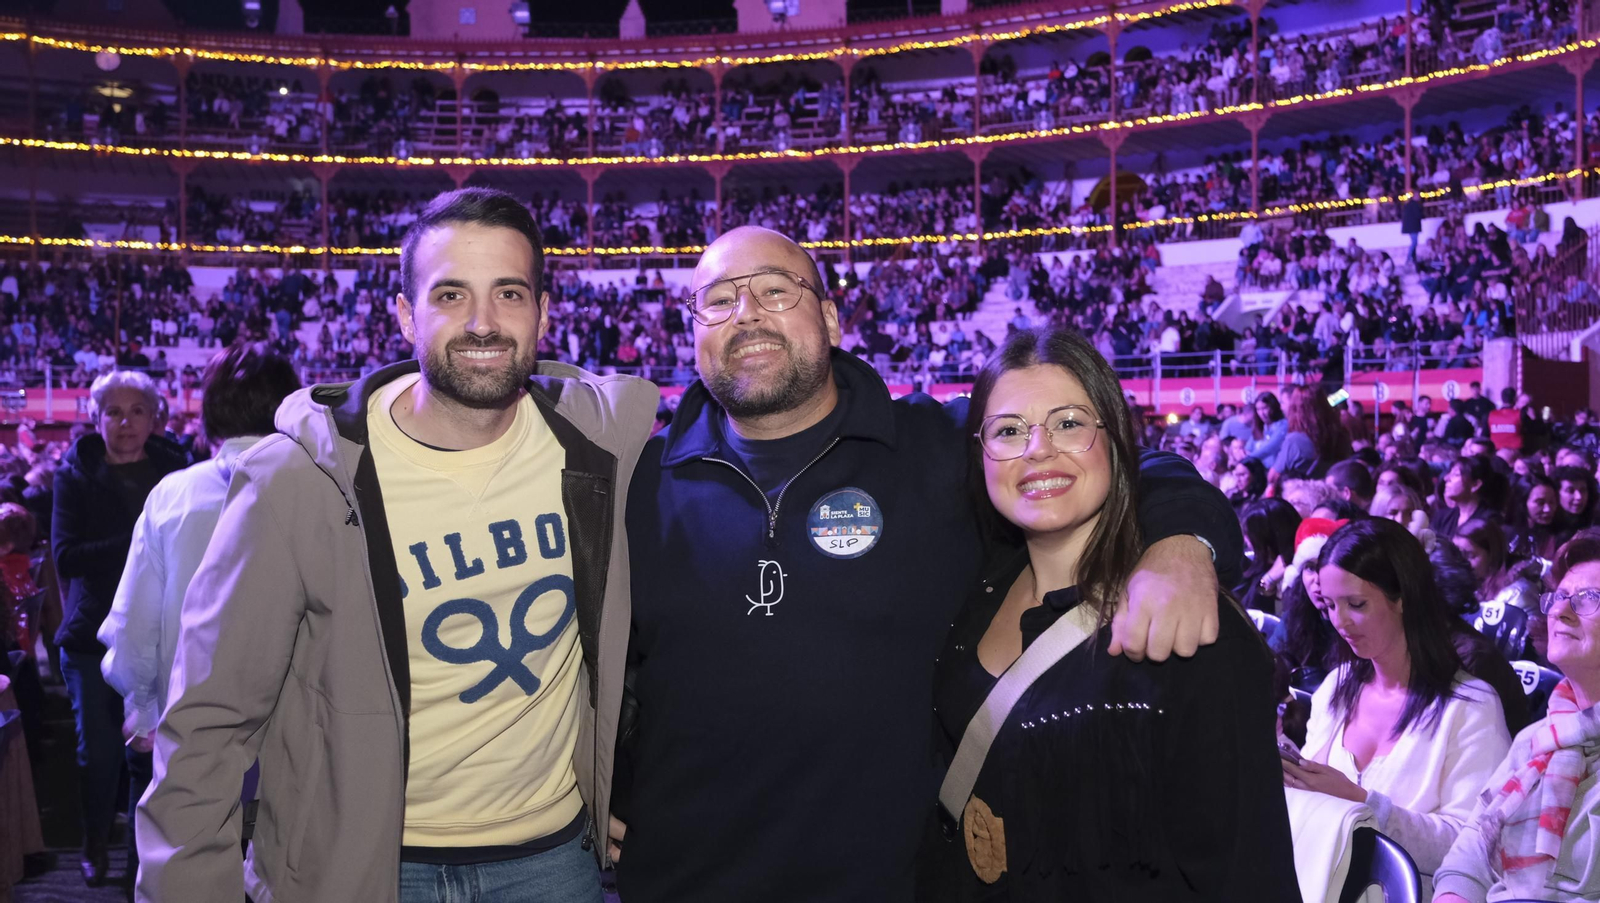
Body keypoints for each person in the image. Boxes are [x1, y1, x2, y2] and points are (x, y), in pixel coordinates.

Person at [614, 227, 1240, 903]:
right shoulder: (639, 483)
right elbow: (601, 664)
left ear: (831, 318)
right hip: (679, 883)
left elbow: (1120, 468)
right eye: (719, 300)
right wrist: (605, 778)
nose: (747, 314)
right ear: (692, 330)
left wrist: (1180, 543)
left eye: (774, 290)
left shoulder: (934, 449)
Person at [136, 189, 660, 903]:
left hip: (550, 862)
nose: (482, 322)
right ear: (407, 315)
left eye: (508, 293)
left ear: (543, 313)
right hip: (362, 867)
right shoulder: (298, 480)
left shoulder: (602, 448)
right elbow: (210, 722)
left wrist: (624, 779)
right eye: (450, 294)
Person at [923, 329, 1300, 900]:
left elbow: (1248, 877)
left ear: (1116, 439)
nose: (1037, 449)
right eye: (1008, 430)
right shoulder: (973, 584)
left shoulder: (1185, 623)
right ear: (979, 455)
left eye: (1068, 423)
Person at [1283, 519, 1512, 895]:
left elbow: (1473, 846)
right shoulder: (1336, 687)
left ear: (1403, 597)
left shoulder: (1471, 707)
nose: (1340, 621)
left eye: (1356, 604)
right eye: (1330, 606)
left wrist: (1363, 803)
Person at [100, 343, 302, 752]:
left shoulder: (173, 495)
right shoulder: (324, 490)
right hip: (295, 733)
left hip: (191, 731)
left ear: (210, 410)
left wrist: (143, 710)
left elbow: (136, 624)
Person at [53, 370, 188, 887]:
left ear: (155, 419)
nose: (125, 423)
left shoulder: (177, 471)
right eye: (113, 412)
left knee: (148, 755)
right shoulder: (73, 475)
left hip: (163, 632)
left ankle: (139, 857)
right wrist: (141, 538)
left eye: (136, 412)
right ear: (96, 419)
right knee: (100, 754)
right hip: (92, 636)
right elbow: (66, 557)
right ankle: (93, 841)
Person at [1433, 534, 1600, 902]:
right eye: (1559, 596)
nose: (1560, 611)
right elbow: (1469, 853)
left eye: (1589, 598)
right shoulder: (1537, 738)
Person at [1271, 386, 1351, 481]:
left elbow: (1273, 476)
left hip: (1303, 488)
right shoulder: (1341, 434)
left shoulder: (1295, 440)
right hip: (1335, 486)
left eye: (1282, 403)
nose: (1281, 407)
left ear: (1295, 409)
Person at [1238, 497, 1301, 612]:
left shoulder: (1296, 574)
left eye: (1248, 534)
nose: (1245, 540)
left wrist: (1268, 580)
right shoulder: (1256, 565)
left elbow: (1251, 615)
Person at [1431, 455, 1499, 542]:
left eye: (1456, 475)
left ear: (1475, 485)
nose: (1446, 478)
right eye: (1449, 473)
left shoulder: (1490, 521)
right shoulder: (1442, 516)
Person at [1508, 474, 1570, 561]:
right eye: (1540, 503)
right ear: (1523, 503)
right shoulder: (1507, 535)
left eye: (1552, 502)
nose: (1548, 509)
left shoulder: (1562, 538)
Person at [1245, 391, 1288, 465]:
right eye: (1258, 409)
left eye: (1264, 408)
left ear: (1273, 407)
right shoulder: (1259, 427)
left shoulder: (1283, 425)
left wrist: (1248, 459)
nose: (1262, 413)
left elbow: (1270, 447)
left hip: (1274, 469)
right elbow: (1248, 448)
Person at [1553, 464, 1597, 530]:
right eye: (1570, 491)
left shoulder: (1595, 521)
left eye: (1583, 490)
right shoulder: (1547, 523)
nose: (1579, 497)